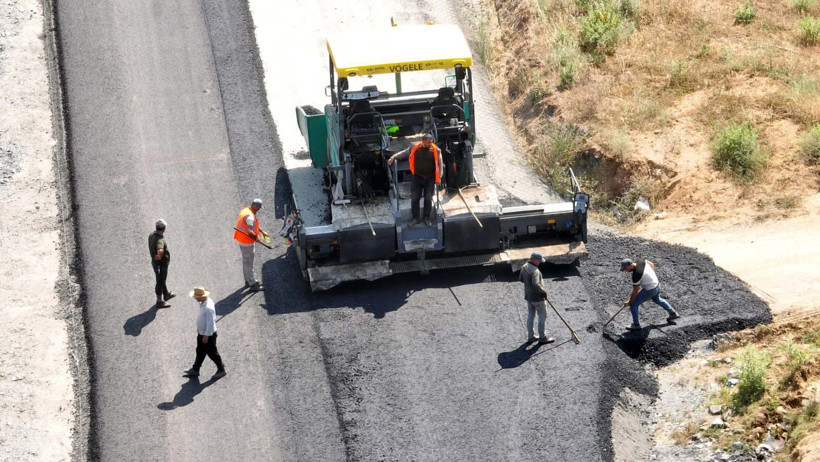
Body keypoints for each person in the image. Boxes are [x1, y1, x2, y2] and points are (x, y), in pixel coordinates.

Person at [387, 133, 442, 228]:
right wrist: (394, 157)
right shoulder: (414, 146)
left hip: (430, 178)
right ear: (423, 141)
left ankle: (426, 218)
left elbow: (440, 164)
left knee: (428, 198)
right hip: (417, 177)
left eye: (431, 142)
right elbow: (405, 152)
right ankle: (415, 218)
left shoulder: (436, 150)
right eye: (429, 142)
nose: (431, 144)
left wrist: (439, 177)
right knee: (415, 198)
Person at [620, 258, 680, 331]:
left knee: (633, 304)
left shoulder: (636, 275)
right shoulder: (641, 261)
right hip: (656, 284)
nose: (626, 270)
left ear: (631, 265)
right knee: (657, 299)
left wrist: (629, 302)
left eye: (626, 268)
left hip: (650, 290)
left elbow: (635, 291)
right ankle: (673, 313)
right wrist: (650, 277)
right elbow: (651, 264)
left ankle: (636, 325)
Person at [183, 287, 226, 379]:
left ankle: (221, 369)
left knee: (212, 353)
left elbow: (210, 323)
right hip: (202, 333)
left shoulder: (208, 308)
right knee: (200, 351)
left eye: (196, 297)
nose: (195, 298)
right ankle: (195, 369)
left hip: (207, 335)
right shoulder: (205, 302)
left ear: (201, 297)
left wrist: (206, 335)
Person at [519, 251, 555, 345]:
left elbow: (521, 279)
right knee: (542, 316)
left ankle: (531, 337)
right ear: (534, 260)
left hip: (529, 297)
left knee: (531, 316)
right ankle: (542, 337)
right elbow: (535, 284)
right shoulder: (535, 270)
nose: (540, 262)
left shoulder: (524, 267)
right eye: (539, 260)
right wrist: (543, 291)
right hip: (538, 298)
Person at [233, 199, 268, 291]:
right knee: (249, 263)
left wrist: (262, 231)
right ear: (256, 206)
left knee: (246, 262)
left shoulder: (246, 211)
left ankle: (248, 281)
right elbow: (249, 230)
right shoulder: (250, 217)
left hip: (242, 240)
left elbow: (253, 225)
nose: (259, 209)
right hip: (246, 242)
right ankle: (252, 284)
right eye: (259, 208)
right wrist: (256, 237)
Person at [148, 219, 175, 308]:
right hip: (160, 264)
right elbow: (160, 249)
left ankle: (166, 294)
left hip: (156, 263)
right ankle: (159, 301)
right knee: (160, 281)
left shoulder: (152, 234)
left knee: (161, 279)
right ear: (164, 229)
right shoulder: (160, 239)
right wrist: (159, 256)